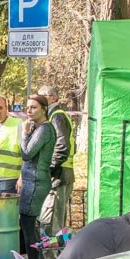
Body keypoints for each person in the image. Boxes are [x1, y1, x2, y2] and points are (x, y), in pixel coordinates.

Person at [18, 94, 56, 259]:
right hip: (31, 180)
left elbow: (27, 153)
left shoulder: (44, 129)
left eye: (33, 107)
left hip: (36, 181)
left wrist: (24, 134)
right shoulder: (39, 127)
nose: (29, 110)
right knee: (27, 225)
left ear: (44, 109)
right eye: (28, 107)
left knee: (28, 223)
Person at [37, 84, 75, 238]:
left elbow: (62, 146)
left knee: (51, 220)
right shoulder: (54, 115)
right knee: (54, 218)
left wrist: (49, 168)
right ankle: (52, 255)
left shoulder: (56, 116)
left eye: (42, 96)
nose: (38, 99)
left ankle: (50, 258)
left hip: (58, 174)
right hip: (60, 173)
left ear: (52, 97)